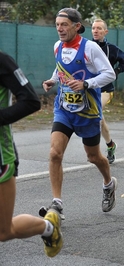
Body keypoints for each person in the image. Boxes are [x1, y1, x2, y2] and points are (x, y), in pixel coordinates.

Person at [41, 8, 117, 220]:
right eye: (57, 25)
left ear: (76, 26)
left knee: (93, 156)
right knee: (55, 153)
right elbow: (60, 69)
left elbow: (109, 74)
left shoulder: (90, 48)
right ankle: (57, 203)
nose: (60, 29)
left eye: (64, 25)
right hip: (64, 109)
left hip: (88, 112)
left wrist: (86, 84)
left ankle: (108, 184)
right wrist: (53, 80)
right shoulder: (57, 46)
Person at [0, 51, 63, 257]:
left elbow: (31, 101)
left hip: (1, 157)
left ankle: (48, 228)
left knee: (4, 231)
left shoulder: (2, 61)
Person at [91, 19, 124, 164]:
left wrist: (115, 71)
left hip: (105, 90)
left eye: (99, 28)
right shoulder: (86, 46)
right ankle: (110, 145)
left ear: (105, 32)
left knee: (97, 114)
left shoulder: (111, 49)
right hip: (88, 88)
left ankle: (95, 151)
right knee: (99, 120)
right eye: (93, 28)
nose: (95, 31)